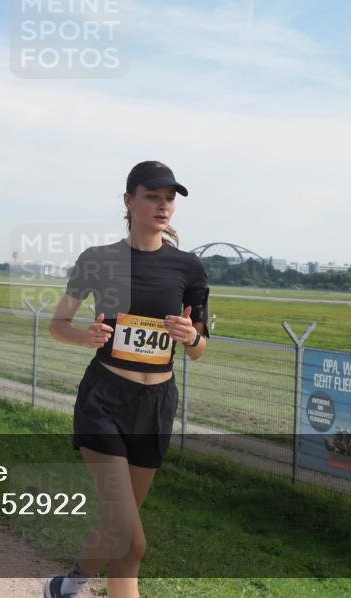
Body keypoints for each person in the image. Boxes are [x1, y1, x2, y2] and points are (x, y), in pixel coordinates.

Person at [45, 161, 210, 598]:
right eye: (152, 196)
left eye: (169, 198)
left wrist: (191, 335)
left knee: (118, 523)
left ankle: (68, 585)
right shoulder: (97, 260)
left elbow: (199, 347)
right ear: (128, 201)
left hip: (156, 405)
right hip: (105, 400)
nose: (163, 206)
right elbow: (58, 323)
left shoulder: (188, 268)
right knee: (132, 543)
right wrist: (85, 337)